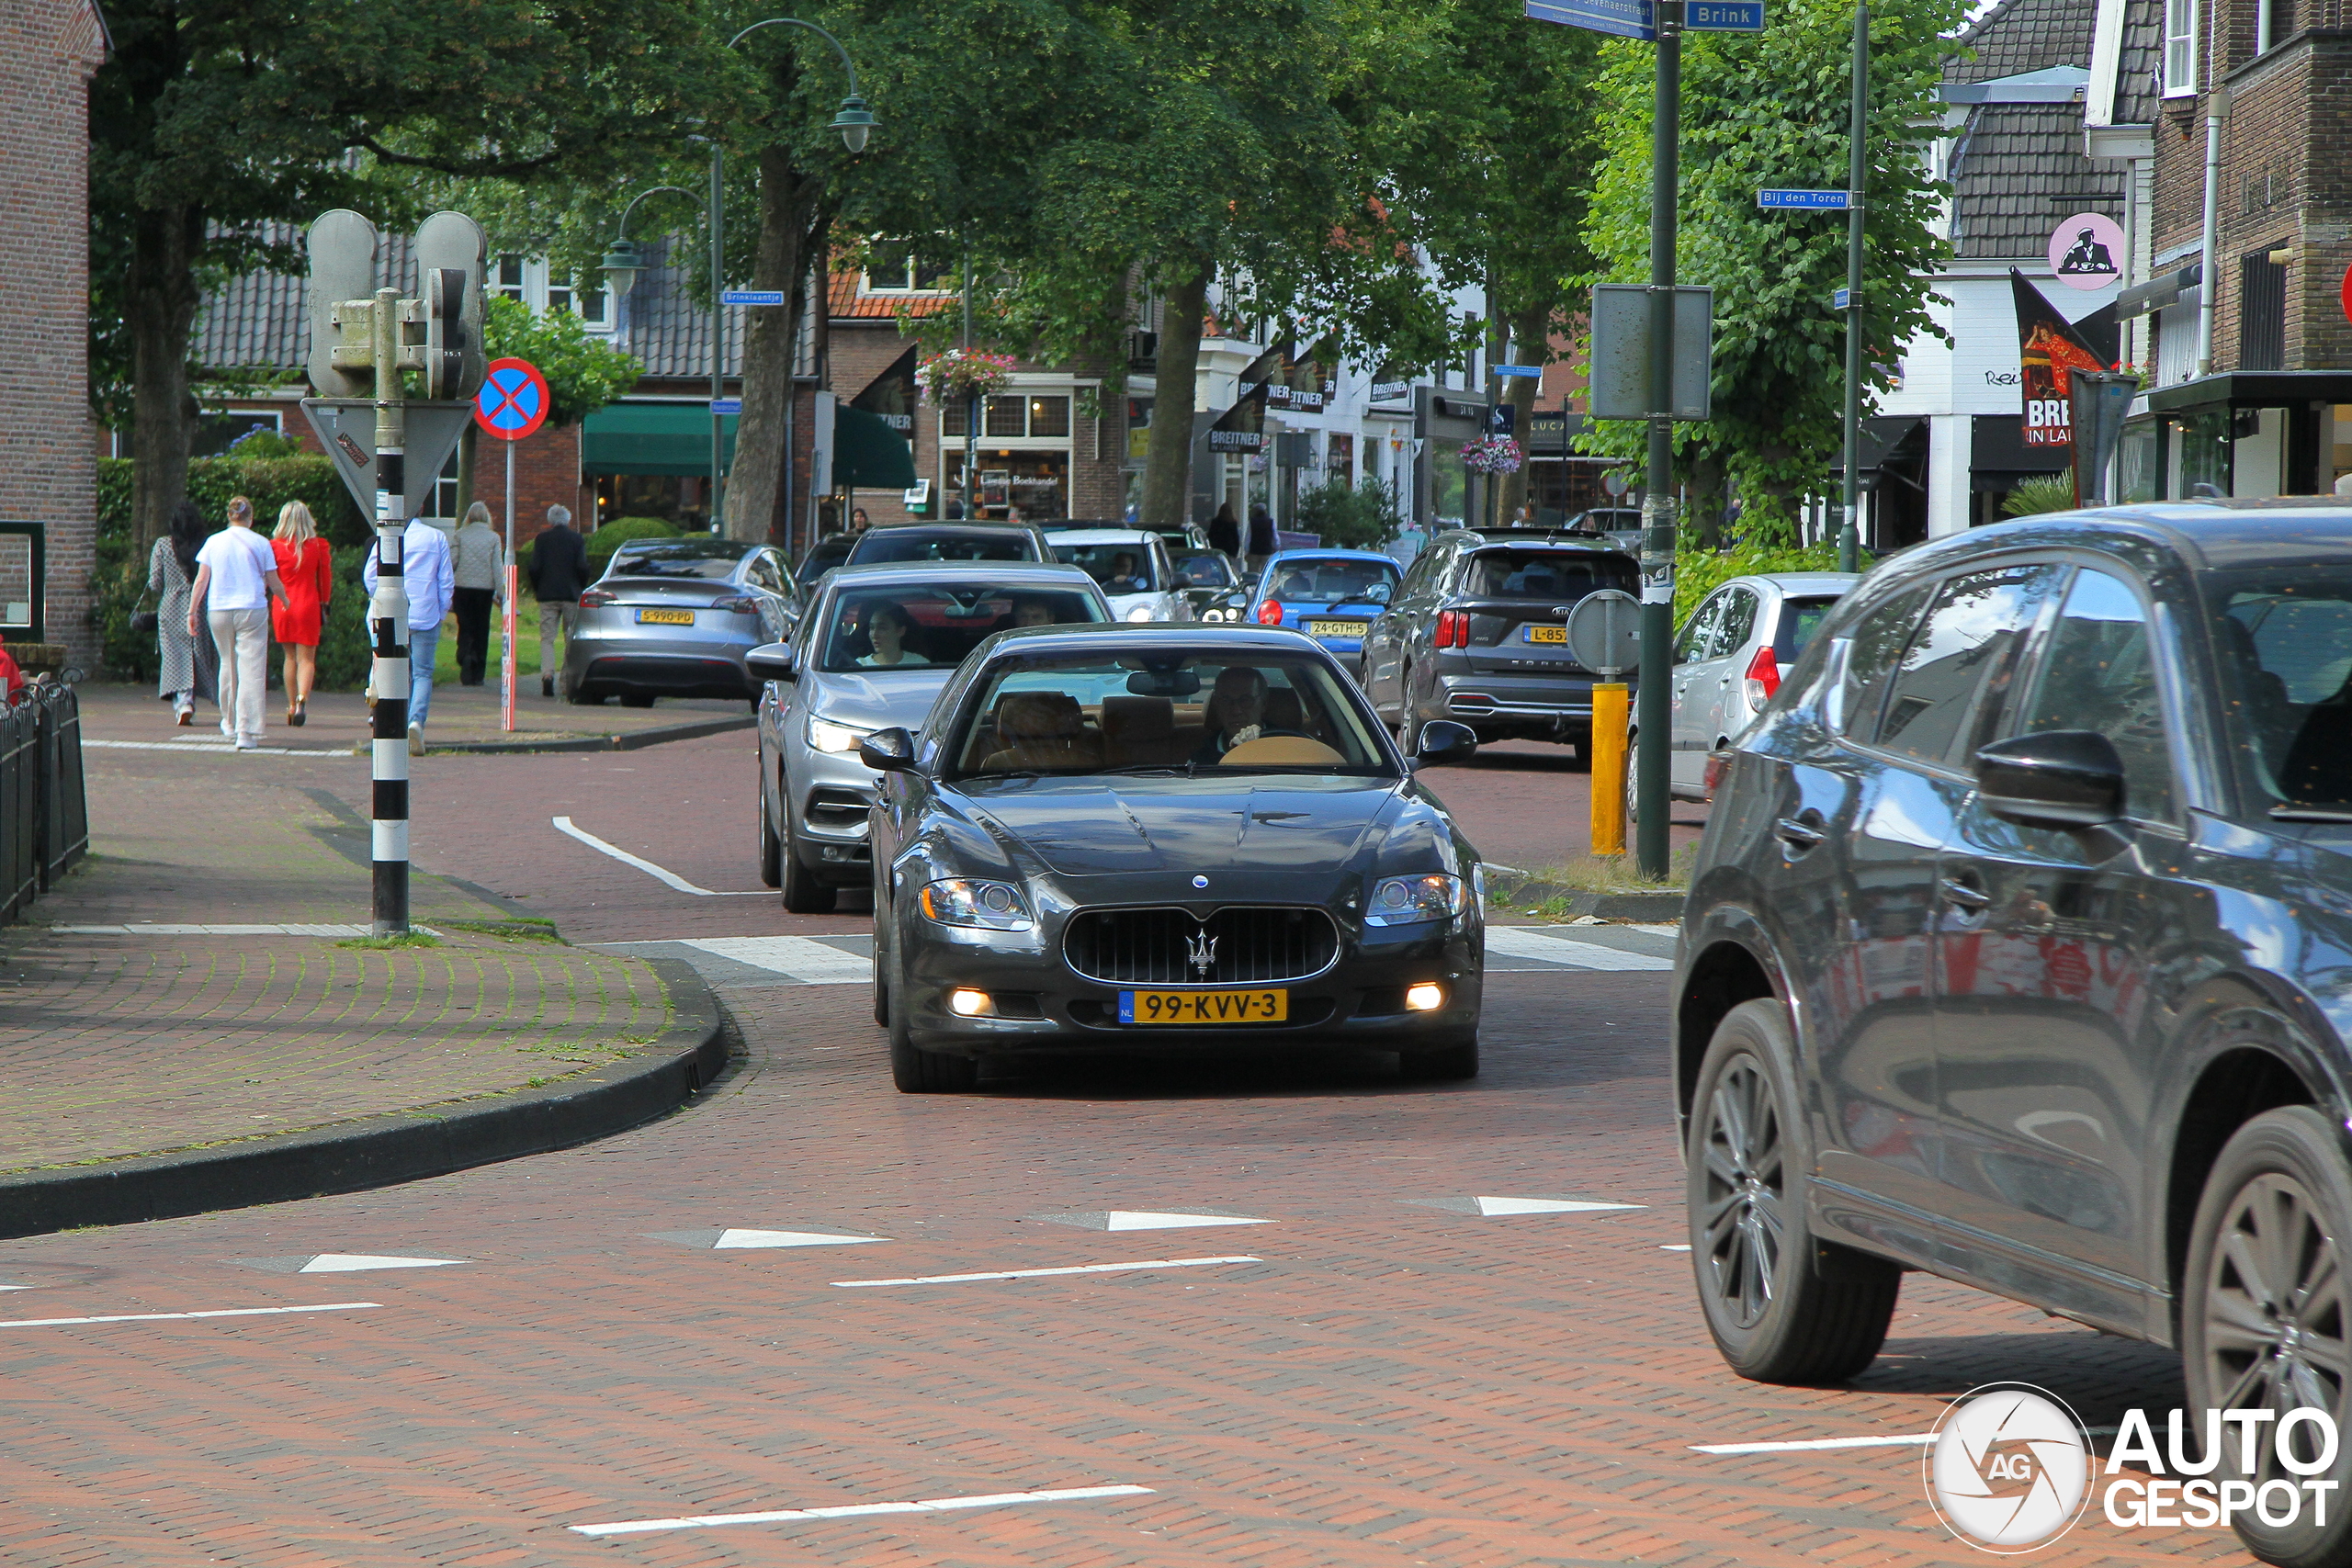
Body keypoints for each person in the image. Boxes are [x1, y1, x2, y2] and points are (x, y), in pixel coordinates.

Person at [187, 495, 288, 750]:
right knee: (251, 668)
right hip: (251, 608)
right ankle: (247, 730)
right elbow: (272, 579)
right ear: (250, 518)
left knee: (227, 662)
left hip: (219, 608)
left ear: (229, 516)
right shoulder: (261, 542)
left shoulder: (213, 542)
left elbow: (201, 580)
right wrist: (284, 599)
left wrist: (191, 612)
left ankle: (228, 720)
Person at [363, 513, 455, 755]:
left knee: (384, 663)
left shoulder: (387, 536)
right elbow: (445, 580)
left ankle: (380, 714)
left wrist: (381, 596)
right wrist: (441, 611)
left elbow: (370, 574)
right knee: (422, 672)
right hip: (425, 613)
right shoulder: (436, 537)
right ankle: (415, 722)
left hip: (390, 612)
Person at [268, 501, 333, 727]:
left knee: (289, 658)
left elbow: (268, 578)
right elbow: (324, 578)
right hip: (308, 604)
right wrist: (325, 601)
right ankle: (302, 698)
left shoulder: (274, 547)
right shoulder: (318, 546)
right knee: (307, 659)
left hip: (282, 605)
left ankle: (291, 705)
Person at [148, 500, 210, 724]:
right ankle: (209, 697)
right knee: (199, 653)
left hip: (171, 606)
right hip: (199, 605)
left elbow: (155, 582)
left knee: (175, 656)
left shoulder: (163, 545)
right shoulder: (206, 544)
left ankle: (183, 702)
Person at [527, 504, 590, 697]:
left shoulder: (542, 539)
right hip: (571, 595)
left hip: (548, 595)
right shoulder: (577, 539)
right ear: (568, 520)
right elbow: (582, 567)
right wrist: (580, 586)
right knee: (569, 638)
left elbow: (534, 568)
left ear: (550, 521)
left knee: (547, 638)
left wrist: (539, 588)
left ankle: (547, 674)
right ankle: (565, 681)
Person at [450, 502, 504, 687]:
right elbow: (497, 566)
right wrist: (501, 592)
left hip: (462, 587)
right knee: (482, 628)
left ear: (469, 517)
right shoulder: (494, 538)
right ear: (486, 517)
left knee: (464, 625)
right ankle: (478, 671)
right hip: (484, 589)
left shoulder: (460, 535)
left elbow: (453, 562)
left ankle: (465, 653)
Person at [1191, 666, 1273, 765]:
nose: (1236, 711)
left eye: (1245, 700)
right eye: (1226, 701)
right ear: (1217, 705)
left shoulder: (1285, 744)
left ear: (1264, 704)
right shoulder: (1201, 757)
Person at [855, 604, 929, 668]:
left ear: (900, 631)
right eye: (872, 628)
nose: (874, 635)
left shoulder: (919, 663)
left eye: (882, 628)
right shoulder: (860, 665)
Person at [1245, 502, 1276, 573]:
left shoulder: (1252, 522)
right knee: (1266, 572)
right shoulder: (1271, 521)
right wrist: (1276, 547)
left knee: (1253, 573)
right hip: (1267, 551)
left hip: (1254, 552)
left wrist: (1247, 551)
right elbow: (1275, 537)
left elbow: (1248, 537)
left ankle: (1253, 584)